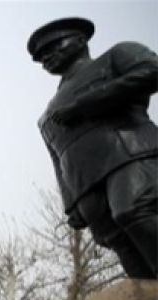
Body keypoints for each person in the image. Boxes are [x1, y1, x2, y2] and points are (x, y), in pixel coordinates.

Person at [30, 16, 158, 279]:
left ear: (80, 40)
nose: (47, 57)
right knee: (113, 237)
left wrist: (85, 104)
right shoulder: (45, 117)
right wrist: (70, 203)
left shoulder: (116, 56)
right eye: (42, 56)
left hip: (128, 154)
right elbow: (58, 160)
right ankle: (148, 299)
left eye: (55, 46)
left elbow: (151, 71)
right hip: (85, 183)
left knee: (133, 210)